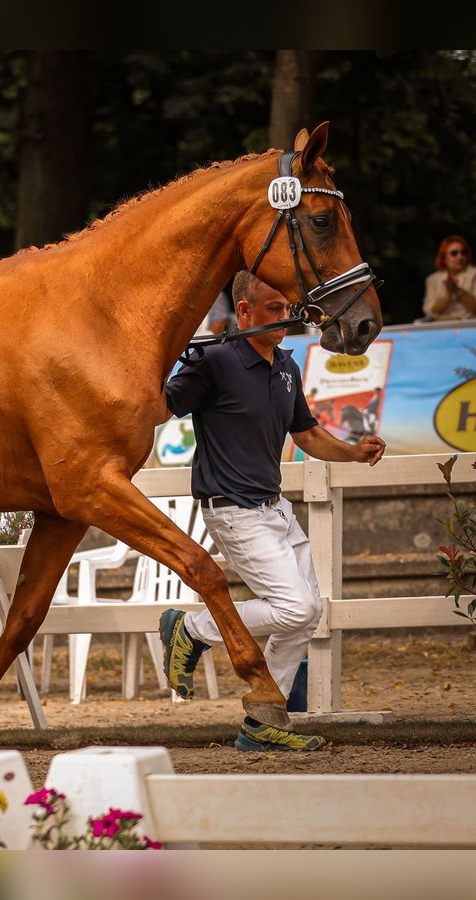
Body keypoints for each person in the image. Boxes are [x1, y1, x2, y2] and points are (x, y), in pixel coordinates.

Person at [160, 270, 386, 752]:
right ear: (243, 312)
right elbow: (161, 406)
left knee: (306, 615)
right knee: (296, 606)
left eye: (287, 310)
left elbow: (304, 433)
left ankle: (265, 720)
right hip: (234, 511)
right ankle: (190, 627)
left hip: (275, 508)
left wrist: (353, 451)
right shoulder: (214, 362)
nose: (283, 319)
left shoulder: (286, 365)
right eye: (272, 310)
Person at [422, 235, 476, 321]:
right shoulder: (433, 279)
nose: (460, 257)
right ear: (444, 257)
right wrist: (447, 295)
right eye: (454, 253)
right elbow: (430, 312)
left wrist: (459, 291)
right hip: (444, 327)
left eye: (463, 252)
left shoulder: (474, 274)